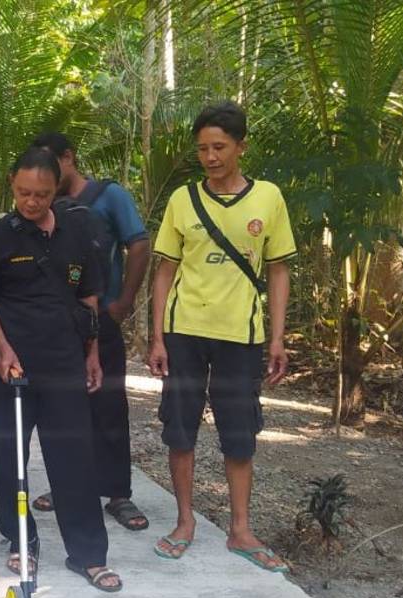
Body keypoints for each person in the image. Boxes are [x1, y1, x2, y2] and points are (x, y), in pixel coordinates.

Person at [148, 101, 296, 572]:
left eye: (219, 147)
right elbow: (164, 272)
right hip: (184, 332)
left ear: (241, 146)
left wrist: (277, 337)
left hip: (243, 335)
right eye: (203, 149)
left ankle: (241, 529)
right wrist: (156, 336)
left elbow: (278, 271)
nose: (210, 157)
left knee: (239, 433)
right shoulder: (182, 200)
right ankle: (185, 521)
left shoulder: (268, 198)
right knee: (180, 429)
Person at [0, 147, 122, 593]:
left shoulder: (79, 232)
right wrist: (2, 349)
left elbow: (89, 298)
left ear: (55, 188)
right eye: (22, 193)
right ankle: (21, 540)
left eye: (40, 194)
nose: (31, 202)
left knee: (74, 457)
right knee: (10, 458)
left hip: (64, 364)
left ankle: (89, 554)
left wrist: (92, 354)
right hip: (8, 367)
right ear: (12, 185)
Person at [29, 132, 152, 531]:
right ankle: (67, 486)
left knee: (109, 406)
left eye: (52, 166)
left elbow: (139, 244)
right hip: (59, 326)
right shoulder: (48, 206)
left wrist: (124, 302)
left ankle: (118, 493)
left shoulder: (109, 196)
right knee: (63, 409)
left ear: (69, 158)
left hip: (104, 320)